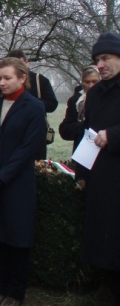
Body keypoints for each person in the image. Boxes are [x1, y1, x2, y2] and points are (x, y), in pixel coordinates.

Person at [0, 57, 46, 306]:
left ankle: (15, 293)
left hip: (17, 183)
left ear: (22, 78)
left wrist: (3, 175)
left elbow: (28, 147)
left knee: (17, 238)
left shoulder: (34, 107)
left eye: (7, 78)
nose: (2, 83)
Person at [80, 32, 120, 305]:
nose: (100, 65)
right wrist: (82, 171)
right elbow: (88, 133)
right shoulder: (94, 95)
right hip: (102, 179)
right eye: (97, 60)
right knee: (105, 244)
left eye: (106, 58)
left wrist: (113, 135)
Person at [0, 49, 58, 160]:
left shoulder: (40, 80)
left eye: (20, 64)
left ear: (27, 63)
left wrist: (28, 104)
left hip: (35, 137)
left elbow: (52, 103)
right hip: (6, 137)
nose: (2, 82)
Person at [58, 65, 101, 153]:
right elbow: (65, 130)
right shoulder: (76, 101)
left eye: (94, 81)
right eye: (87, 82)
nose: (91, 86)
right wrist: (84, 126)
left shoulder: (111, 99)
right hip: (82, 149)